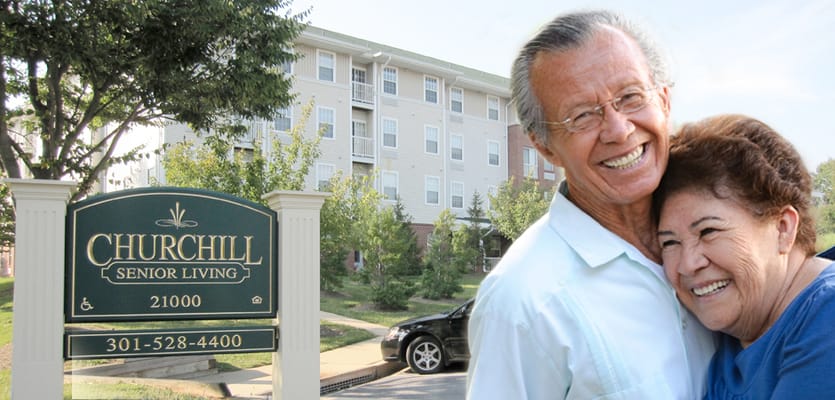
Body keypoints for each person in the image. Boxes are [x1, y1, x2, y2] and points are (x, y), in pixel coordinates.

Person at [466, 10, 715, 400]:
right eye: (582, 116)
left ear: (664, 100)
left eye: (631, 97)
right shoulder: (523, 302)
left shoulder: (720, 236)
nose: (619, 130)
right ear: (544, 146)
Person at [654, 114, 835, 398]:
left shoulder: (827, 320)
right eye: (670, 242)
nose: (688, 264)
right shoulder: (734, 336)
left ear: (783, 228)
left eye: (708, 231)